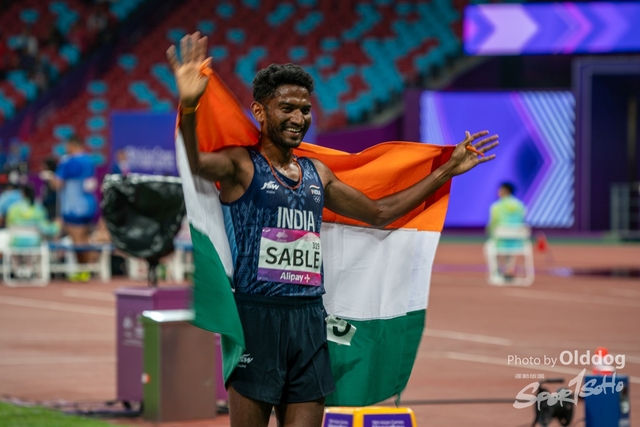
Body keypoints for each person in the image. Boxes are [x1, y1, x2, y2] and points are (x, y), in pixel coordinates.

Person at [167, 32, 498, 427]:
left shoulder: (317, 174)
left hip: (310, 321)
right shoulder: (241, 165)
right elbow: (195, 162)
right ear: (259, 111)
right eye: (287, 108)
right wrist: (190, 105)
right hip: (256, 319)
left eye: (305, 110)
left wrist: (447, 171)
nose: (298, 119)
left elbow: (379, 213)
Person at [53, 135, 98, 271]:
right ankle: (88, 268)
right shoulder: (89, 160)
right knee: (85, 239)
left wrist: (50, 179)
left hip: (73, 207)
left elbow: (57, 184)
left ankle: (84, 270)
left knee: (77, 241)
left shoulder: (67, 162)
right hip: (88, 205)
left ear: (71, 145)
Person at [486, 182, 527, 279]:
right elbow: (522, 221)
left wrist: (490, 232)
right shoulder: (520, 205)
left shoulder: (496, 206)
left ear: (505, 191)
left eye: (500, 190)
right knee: (511, 247)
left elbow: (492, 224)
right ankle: (509, 269)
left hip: (500, 241)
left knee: (489, 246)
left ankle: (497, 270)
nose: (498, 192)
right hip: (517, 242)